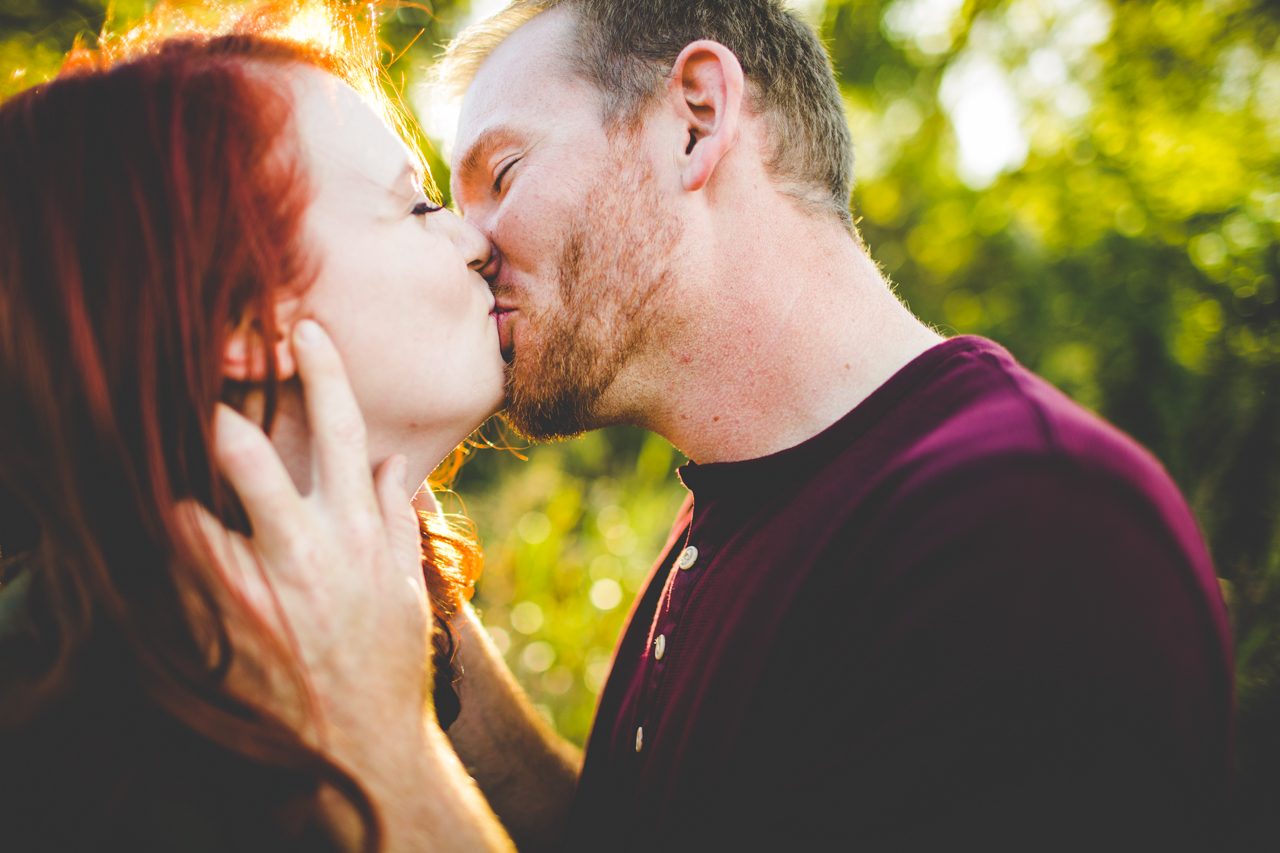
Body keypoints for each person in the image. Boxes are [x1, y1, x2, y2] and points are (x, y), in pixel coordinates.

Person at [419, 0, 1236, 848]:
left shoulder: (1031, 521)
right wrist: (411, 596)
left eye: (503, 173)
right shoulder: (735, 518)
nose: (465, 247)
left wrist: (368, 737)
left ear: (695, 121)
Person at [0, 4, 514, 851]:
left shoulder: (141, 660)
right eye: (416, 208)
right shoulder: (96, 772)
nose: (476, 240)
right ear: (244, 322)